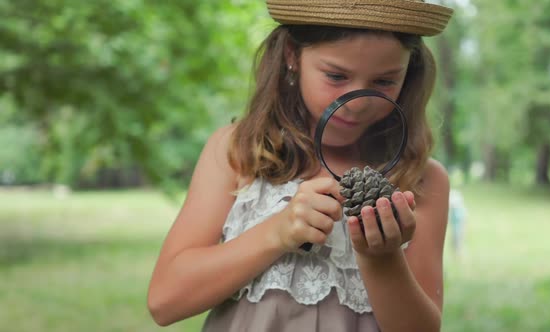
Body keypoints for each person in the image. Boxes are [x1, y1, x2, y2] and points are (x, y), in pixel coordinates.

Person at [147, 1, 453, 331]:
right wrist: (277, 233)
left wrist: (382, 258)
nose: (359, 103)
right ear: (292, 55)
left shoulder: (421, 180)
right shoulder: (238, 152)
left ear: (410, 73)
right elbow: (165, 301)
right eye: (336, 76)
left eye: (384, 82)